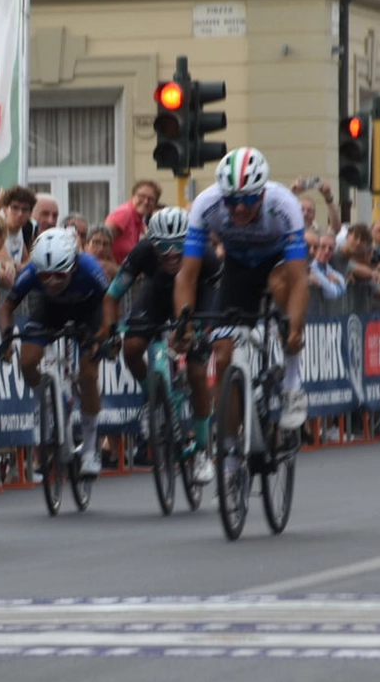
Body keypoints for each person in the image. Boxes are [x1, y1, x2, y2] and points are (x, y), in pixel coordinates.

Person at [173, 147, 310, 432]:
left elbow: (299, 280)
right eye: (232, 200)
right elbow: (187, 276)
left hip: (278, 262)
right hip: (238, 266)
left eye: (248, 199)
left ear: (261, 193)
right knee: (222, 357)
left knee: (281, 286)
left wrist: (294, 328)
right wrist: (183, 321)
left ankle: (291, 385)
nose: (239, 207)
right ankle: (231, 455)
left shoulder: (284, 204)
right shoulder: (206, 204)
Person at [99, 206, 216, 472]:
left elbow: (216, 301)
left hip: (198, 300)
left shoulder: (205, 254)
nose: (171, 252)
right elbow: (112, 295)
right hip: (156, 296)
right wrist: (109, 331)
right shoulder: (141, 252)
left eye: (178, 245)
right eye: (163, 245)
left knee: (198, 373)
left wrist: (198, 330)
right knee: (131, 348)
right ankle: (154, 397)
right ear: (152, 242)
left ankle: (200, 450)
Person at [0, 227, 110, 476]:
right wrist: (6, 337)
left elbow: (111, 304)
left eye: (59, 275)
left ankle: (91, 448)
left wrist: (102, 336)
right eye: (45, 275)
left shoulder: (90, 268)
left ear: (72, 266)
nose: (51, 282)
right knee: (27, 362)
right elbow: (6, 308)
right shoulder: (30, 272)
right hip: (50, 311)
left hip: (88, 313)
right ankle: (50, 400)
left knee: (88, 375)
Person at [103, 180, 161, 264]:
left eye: (151, 199)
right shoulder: (124, 213)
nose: (146, 202)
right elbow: (102, 241)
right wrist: (114, 267)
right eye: (142, 196)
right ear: (132, 196)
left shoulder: (140, 222)